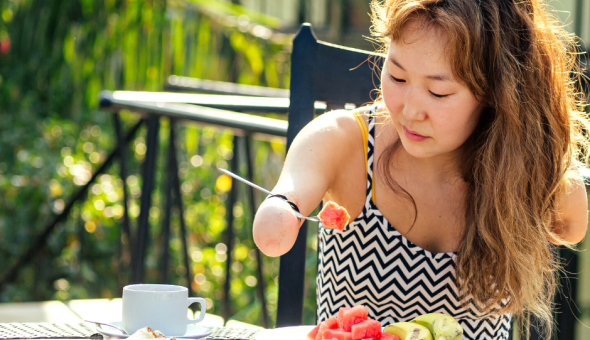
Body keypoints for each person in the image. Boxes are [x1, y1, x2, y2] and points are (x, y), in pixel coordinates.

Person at [252, 0, 589, 338]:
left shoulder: (518, 167)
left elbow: (572, 227)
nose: (411, 111)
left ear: (497, 94)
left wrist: (533, 146)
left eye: (438, 92)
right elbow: (291, 191)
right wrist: (282, 209)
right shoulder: (343, 141)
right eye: (397, 75)